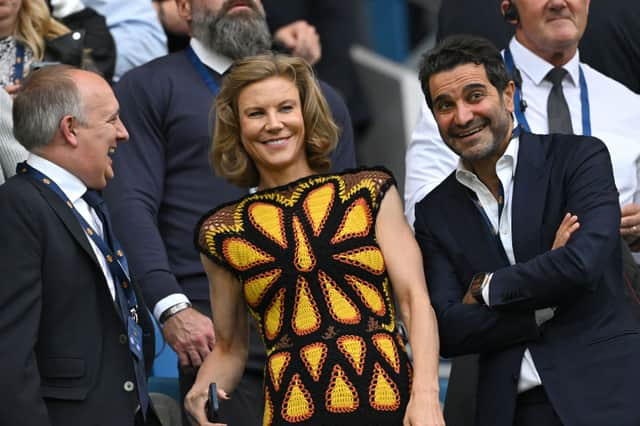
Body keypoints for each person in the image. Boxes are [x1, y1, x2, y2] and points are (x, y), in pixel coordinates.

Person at [102, 0, 356, 424]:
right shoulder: (147, 86)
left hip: (318, 330)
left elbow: (349, 221)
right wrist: (171, 306)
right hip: (212, 331)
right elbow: (129, 203)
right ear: (183, 8)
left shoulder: (317, 95)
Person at [184, 53, 443, 426]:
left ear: (306, 114)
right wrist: (200, 389)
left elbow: (415, 301)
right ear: (236, 126)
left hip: (394, 409)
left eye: (285, 108)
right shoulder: (223, 232)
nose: (274, 124)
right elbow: (229, 347)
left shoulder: (368, 192)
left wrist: (426, 396)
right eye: (256, 114)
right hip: (294, 414)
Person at [414, 34, 640, 426]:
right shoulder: (434, 210)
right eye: (445, 105)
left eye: (474, 96)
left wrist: (487, 289)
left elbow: (583, 264)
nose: (462, 116)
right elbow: (449, 329)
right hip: (509, 407)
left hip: (606, 391)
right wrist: (545, 295)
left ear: (507, 94)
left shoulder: (580, 158)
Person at [0, 65, 159, 425]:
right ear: (70, 129)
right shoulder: (17, 206)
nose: (124, 133)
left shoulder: (90, 203)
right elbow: (9, 355)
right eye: (112, 120)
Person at [405, 0, 640, 234]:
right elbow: (422, 219)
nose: (559, 3)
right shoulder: (459, 109)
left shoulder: (628, 105)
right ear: (509, 9)